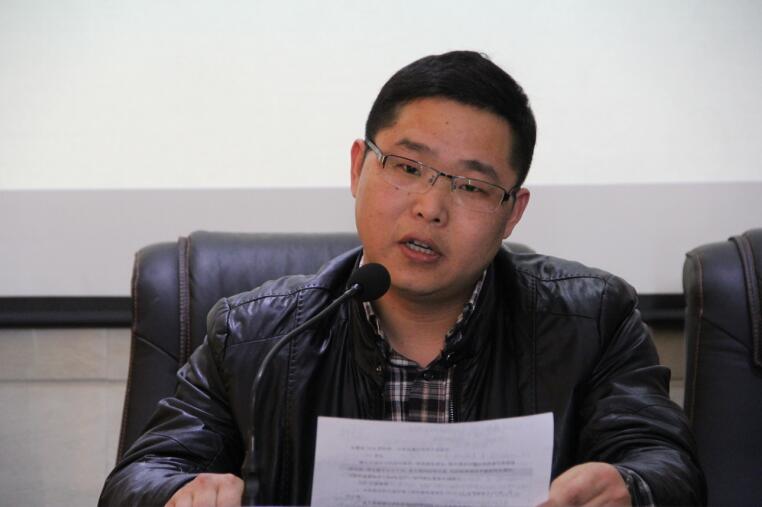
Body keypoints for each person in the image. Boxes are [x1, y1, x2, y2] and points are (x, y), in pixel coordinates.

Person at [99, 51, 705, 507]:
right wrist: (181, 494)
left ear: (512, 212)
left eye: (472, 186)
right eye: (408, 167)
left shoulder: (591, 321)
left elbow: (668, 464)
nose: (430, 208)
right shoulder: (254, 336)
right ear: (358, 167)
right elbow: (140, 476)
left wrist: (631, 487)